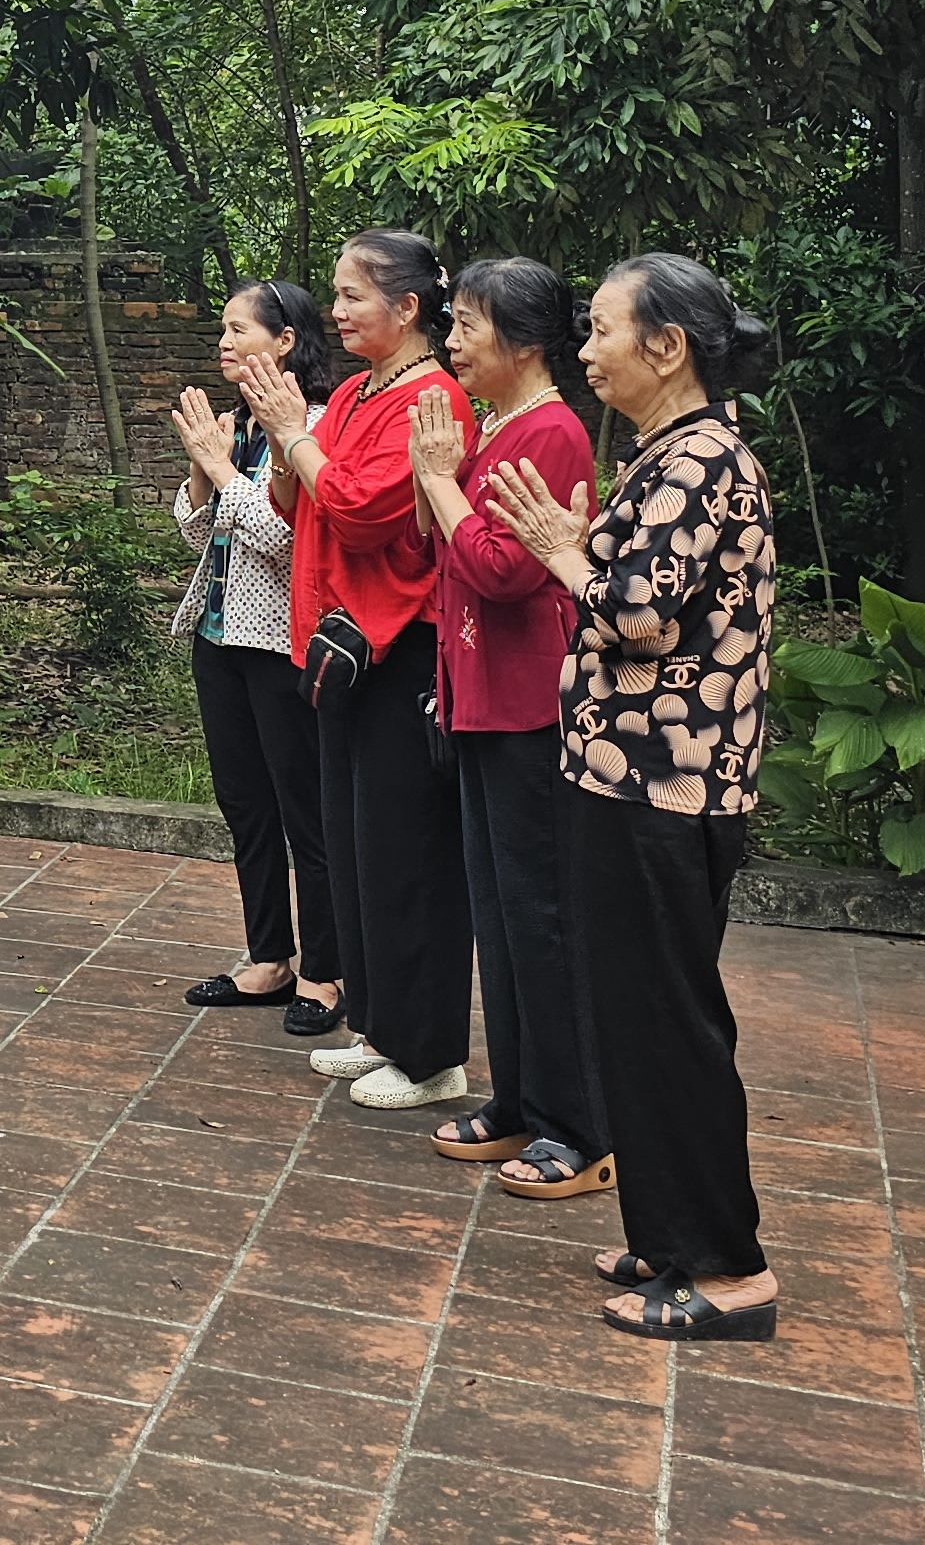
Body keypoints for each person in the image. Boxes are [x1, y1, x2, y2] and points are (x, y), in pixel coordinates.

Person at [484, 251, 785, 1341]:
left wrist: (562, 551)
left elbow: (633, 614)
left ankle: (727, 1268)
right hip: (622, 780)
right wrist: (568, 545)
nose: (586, 348)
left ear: (668, 348)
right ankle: (667, 1232)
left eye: (603, 329)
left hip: (668, 788)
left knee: (669, 1023)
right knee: (631, 1015)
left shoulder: (701, 457)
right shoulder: (664, 452)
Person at [229, 228, 472, 1114]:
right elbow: (293, 500)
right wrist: (286, 433)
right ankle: (379, 1025)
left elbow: (364, 513)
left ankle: (432, 1052)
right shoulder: (361, 393)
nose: (333, 311)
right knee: (358, 848)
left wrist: (297, 434)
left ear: (408, 309)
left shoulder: (432, 398)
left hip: (395, 646)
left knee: (406, 855)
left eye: (351, 295)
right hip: (334, 647)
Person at [407, 254, 608, 1200]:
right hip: (480, 698)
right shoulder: (499, 428)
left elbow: (504, 570)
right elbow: (441, 550)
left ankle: (579, 1125)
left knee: (541, 919)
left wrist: (443, 483)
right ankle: (521, 1100)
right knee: (499, 916)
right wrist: (433, 479)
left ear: (523, 340)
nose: (452, 344)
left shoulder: (556, 433)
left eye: (468, 326)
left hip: (533, 709)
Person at [166, 280, 348, 1037]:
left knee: (306, 815)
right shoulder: (237, 423)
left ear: (285, 341)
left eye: (240, 330)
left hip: (282, 644)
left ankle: (326, 972)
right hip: (218, 640)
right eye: (222, 331)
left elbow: (283, 540)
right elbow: (195, 529)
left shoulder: (318, 423)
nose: (225, 343)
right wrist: (205, 466)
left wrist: (226, 470)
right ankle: (268, 957)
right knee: (245, 808)